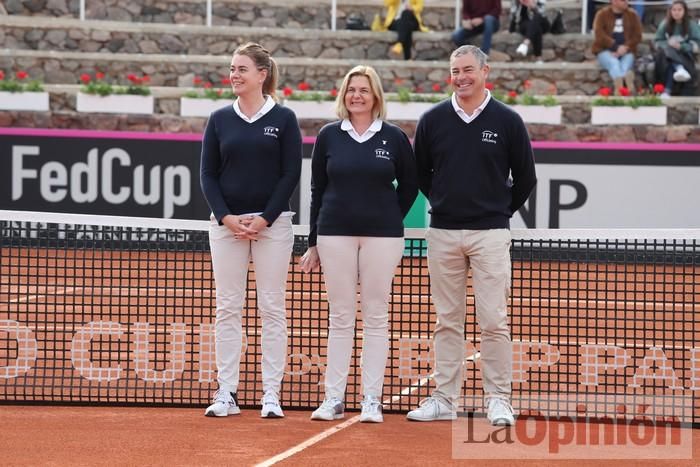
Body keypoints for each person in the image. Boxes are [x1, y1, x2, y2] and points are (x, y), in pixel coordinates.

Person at [406, 45, 536, 426]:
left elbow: (526, 178)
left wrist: (497, 212)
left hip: (491, 235)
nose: (460, 77)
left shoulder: (508, 120)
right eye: (454, 71)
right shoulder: (432, 120)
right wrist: (446, 203)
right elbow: (422, 175)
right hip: (443, 233)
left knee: (494, 321)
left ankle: (499, 399)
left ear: (484, 72)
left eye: (467, 70)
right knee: (447, 320)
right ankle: (445, 400)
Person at [299, 65, 418, 423]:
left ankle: (371, 399)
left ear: (376, 96)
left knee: (377, 316)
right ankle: (333, 398)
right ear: (343, 95)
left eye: (364, 90)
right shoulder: (329, 136)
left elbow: (410, 186)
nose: (357, 96)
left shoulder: (394, 138)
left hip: (383, 237)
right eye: (351, 90)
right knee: (340, 317)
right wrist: (314, 242)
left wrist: (387, 217)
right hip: (334, 234)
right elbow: (317, 190)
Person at [200, 42, 302, 419]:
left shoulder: (285, 119)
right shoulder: (219, 119)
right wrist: (226, 217)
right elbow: (208, 174)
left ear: (262, 74)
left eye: (242, 68)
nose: (234, 74)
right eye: (232, 68)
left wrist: (266, 218)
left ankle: (270, 394)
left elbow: (290, 172)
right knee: (227, 307)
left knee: (272, 308)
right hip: (225, 227)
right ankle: (226, 391)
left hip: (272, 228)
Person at [591, 0, 642, 94]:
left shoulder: (633, 15)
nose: (626, 1)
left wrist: (625, 47)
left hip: (627, 51)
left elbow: (637, 36)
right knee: (614, 63)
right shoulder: (601, 14)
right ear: (614, 1)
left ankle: (619, 89)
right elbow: (599, 34)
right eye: (623, 0)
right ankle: (625, 87)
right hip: (605, 50)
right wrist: (615, 47)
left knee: (625, 65)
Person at [654, 0, 700, 97]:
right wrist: (669, 43)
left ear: (684, 11)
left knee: (670, 58)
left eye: (679, 10)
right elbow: (657, 41)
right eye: (674, 10)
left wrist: (681, 46)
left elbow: (697, 44)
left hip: (685, 56)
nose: (676, 12)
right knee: (668, 51)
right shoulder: (665, 24)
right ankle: (679, 68)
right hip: (667, 56)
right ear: (670, 11)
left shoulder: (692, 25)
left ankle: (667, 91)